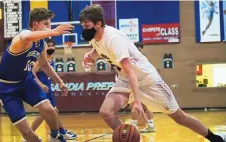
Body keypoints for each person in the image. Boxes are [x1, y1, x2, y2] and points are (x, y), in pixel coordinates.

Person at [79, 4, 225, 142]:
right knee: (106, 112)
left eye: (86, 24)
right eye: (82, 24)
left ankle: (215, 138)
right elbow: (99, 49)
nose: (84, 28)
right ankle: (130, 139)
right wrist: (90, 55)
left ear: (98, 24)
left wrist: (137, 101)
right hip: (126, 79)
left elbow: (131, 72)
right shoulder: (95, 37)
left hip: (147, 79)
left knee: (180, 117)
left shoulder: (114, 39)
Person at [0, 8, 73, 142]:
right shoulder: (23, 37)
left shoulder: (41, 44)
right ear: (36, 25)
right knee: (27, 132)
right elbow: (25, 36)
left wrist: (59, 81)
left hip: (26, 81)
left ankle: (55, 136)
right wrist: (55, 31)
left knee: (50, 110)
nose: (49, 27)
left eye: (50, 24)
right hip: (6, 88)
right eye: (46, 24)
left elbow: (44, 65)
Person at [27, 39, 76, 141]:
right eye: (49, 46)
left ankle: (61, 132)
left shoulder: (50, 60)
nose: (51, 48)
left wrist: (59, 82)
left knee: (52, 112)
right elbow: (32, 73)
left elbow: (49, 74)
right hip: (41, 90)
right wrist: (40, 84)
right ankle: (29, 136)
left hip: (48, 89)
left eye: (53, 46)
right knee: (47, 113)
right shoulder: (41, 61)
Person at [129, 41, 155, 133]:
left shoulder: (132, 58)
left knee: (134, 105)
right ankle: (151, 125)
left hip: (139, 83)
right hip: (145, 83)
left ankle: (134, 126)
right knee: (147, 105)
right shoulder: (144, 58)